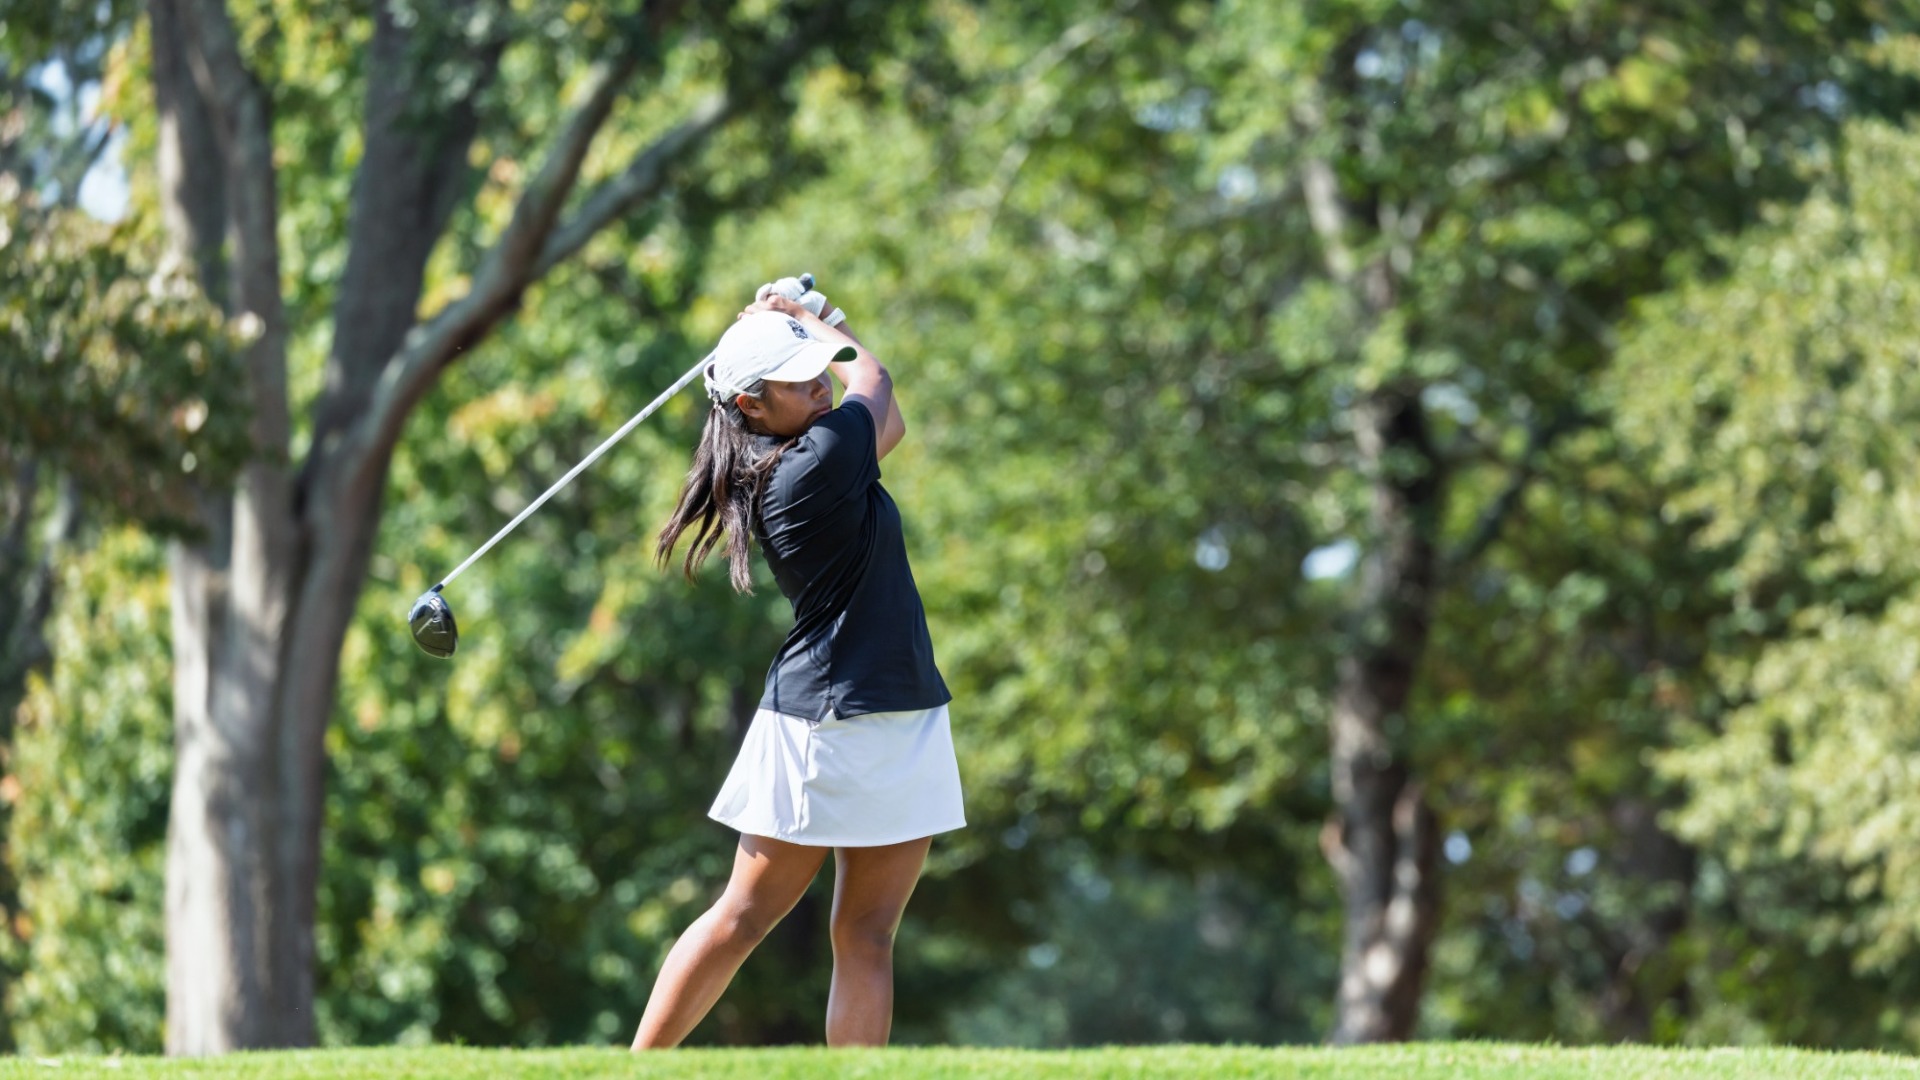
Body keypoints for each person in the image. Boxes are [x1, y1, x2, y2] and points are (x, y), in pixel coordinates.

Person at [633, 278, 963, 1049]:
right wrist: (811, 318)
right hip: (827, 722)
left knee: (866, 934)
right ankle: (636, 1068)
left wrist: (807, 326)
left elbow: (890, 418)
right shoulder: (811, 462)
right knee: (750, 916)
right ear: (750, 405)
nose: (819, 386)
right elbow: (873, 382)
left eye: (816, 372)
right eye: (797, 380)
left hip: (895, 708)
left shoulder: (818, 452)